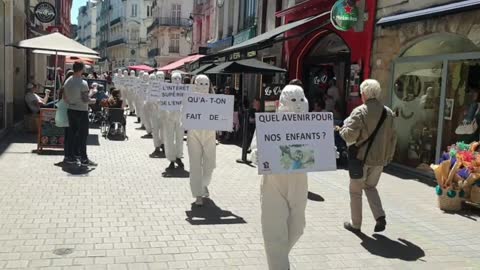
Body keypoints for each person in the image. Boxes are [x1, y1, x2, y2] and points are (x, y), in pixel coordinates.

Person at [250, 84, 309, 270]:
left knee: (298, 227)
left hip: (298, 180)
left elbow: (317, 148)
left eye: (301, 100)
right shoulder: (269, 124)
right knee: (274, 228)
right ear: (283, 101)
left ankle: (279, 256)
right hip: (274, 182)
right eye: (293, 100)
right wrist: (256, 154)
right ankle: (279, 265)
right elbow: (255, 147)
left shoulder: (311, 124)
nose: (298, 105)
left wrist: (328, 153)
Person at [338, 79, 397, 233]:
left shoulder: (360, 111)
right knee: (370, 187)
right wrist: (388, 157)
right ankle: (380, 216)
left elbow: (350, 136)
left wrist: (341, 129)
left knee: (356, 191)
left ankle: (355, 224)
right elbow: (393, 138)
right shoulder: (388, 112)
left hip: (361, 159)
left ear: (364, 93)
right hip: (380, 160)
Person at [188, 75, 216, 206]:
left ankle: (203, 184)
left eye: (207, 84)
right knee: (195, 165)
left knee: (210, 164)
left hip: (209, 134)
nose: (204, 87)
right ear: (195, 85)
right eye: (201, 84)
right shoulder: (189, 99)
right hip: (194, 134)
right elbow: (185, 114)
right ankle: (198, 194)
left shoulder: (215, 100)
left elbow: (220, 115)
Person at [63, 61, 97, 166]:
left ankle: (69, 156)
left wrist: (71, 102)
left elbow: (64, 96)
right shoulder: (83, 83)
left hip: (71, 109)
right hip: (81, 111)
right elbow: (85, 99)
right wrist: (93, 98)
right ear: (82, 69)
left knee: (71, 135)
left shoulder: (68, 81)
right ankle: (83, 158)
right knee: (83, 135)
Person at [163, 72, 185, 170]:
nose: (176, 81)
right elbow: (162, 102)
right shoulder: (166, 90)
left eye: (178, 79)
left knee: (180, 139)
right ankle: (171, 159)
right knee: (169, 138)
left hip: (180, 118)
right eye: (174, 79)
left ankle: (178, 157)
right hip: (169, 118)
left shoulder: (185, 91)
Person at [150, 71, 166, 158]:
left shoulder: (168, 88)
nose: (160, 79)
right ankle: (157, 146)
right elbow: (148, 98)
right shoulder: (151, 87)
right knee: (155, 131)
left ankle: (163, 144)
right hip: (154, 112)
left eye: (162, 77)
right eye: (159, 77)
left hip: (164, 113)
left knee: (163, 131)